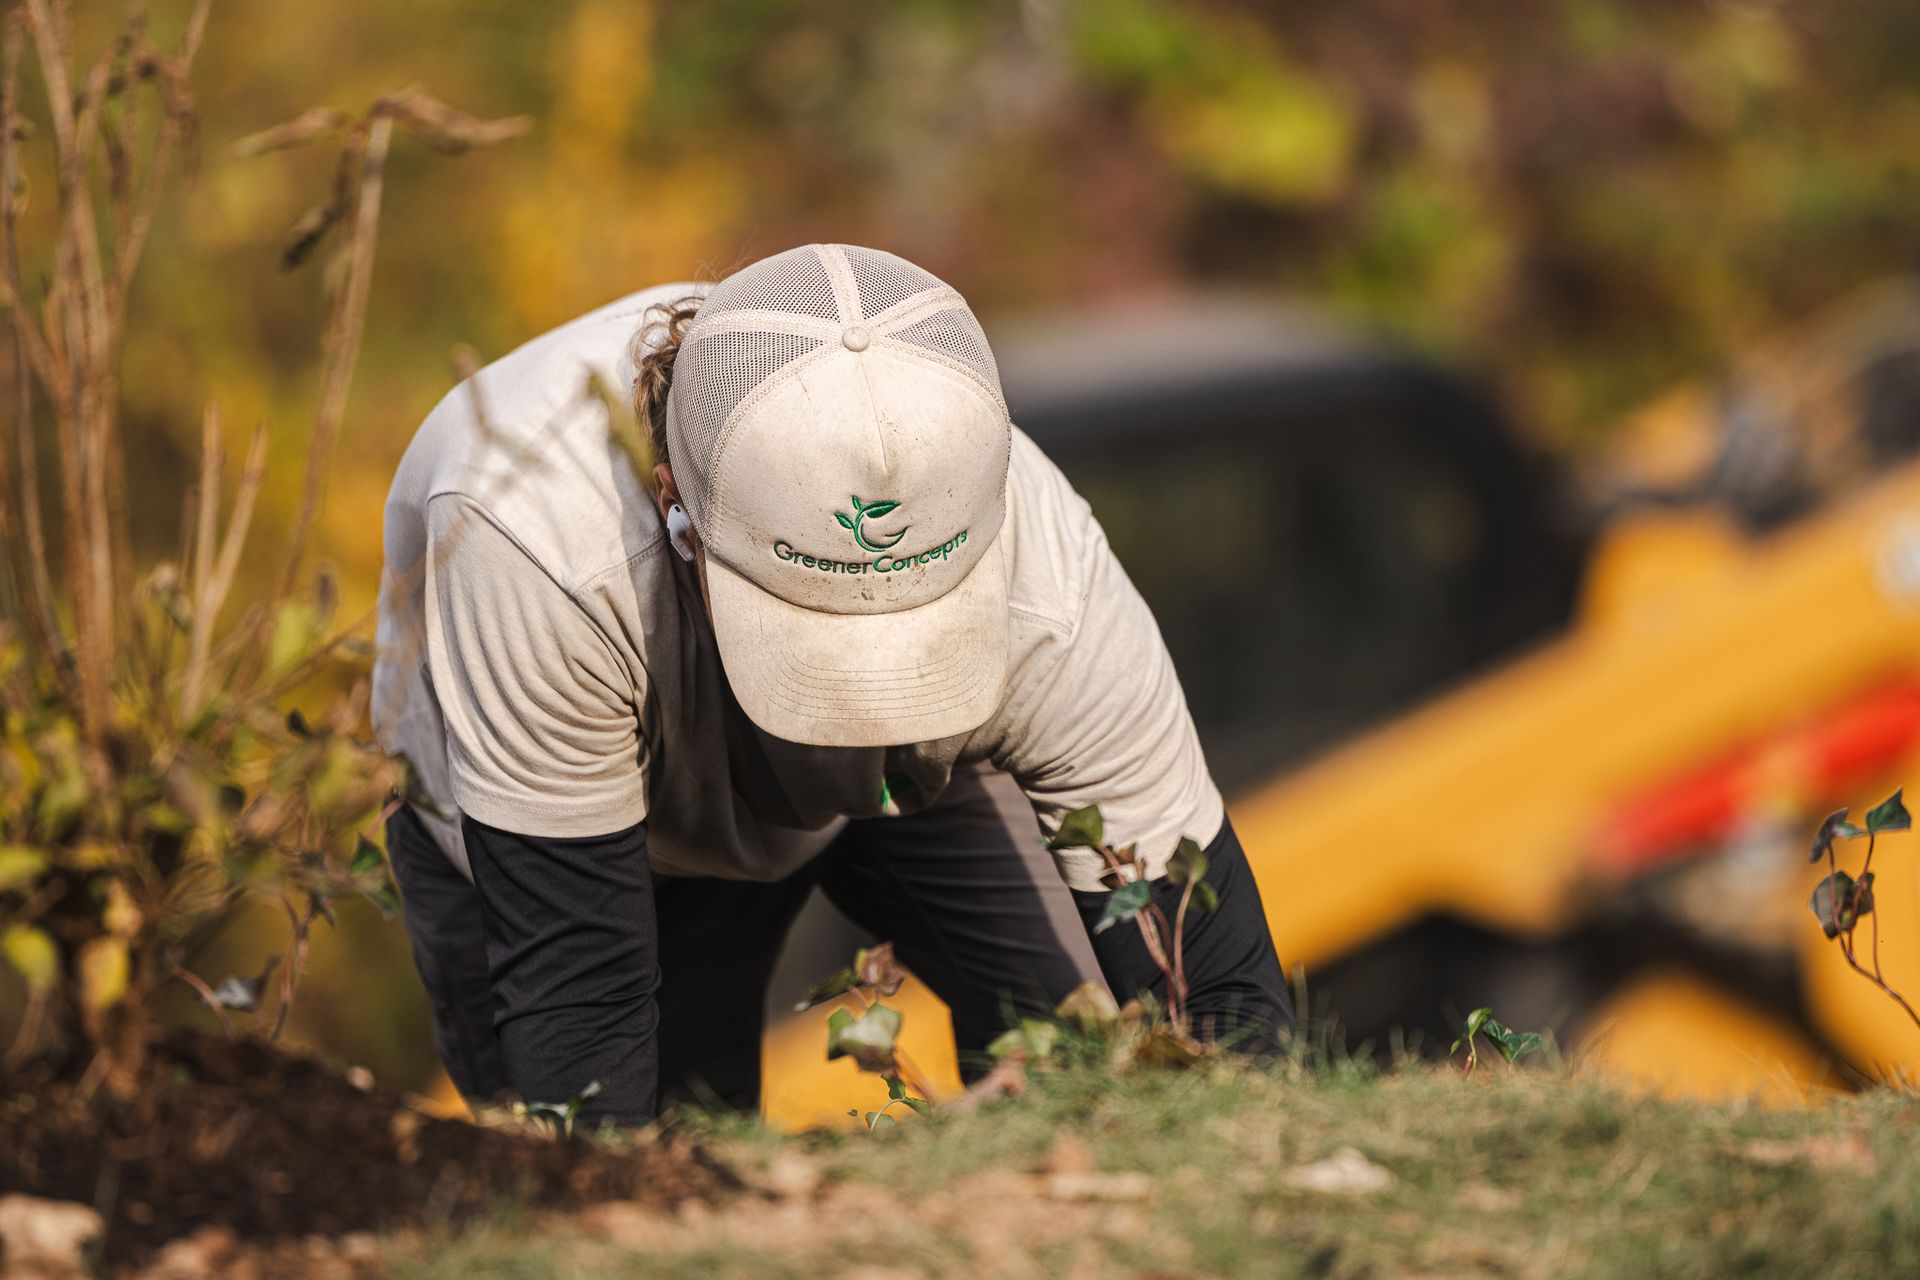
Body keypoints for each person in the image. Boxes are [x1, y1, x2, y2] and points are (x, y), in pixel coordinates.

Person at [371, 244, 1291, 1126]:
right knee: (640, 1163)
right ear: (673, 507)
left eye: (905, 639)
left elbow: (1214, 988)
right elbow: (580, 1011)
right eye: (823, 640)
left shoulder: (1040, 562)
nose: (866, 700)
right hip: (557, 826)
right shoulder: (535, 542)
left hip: (908, 792)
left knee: (1072, 1046)